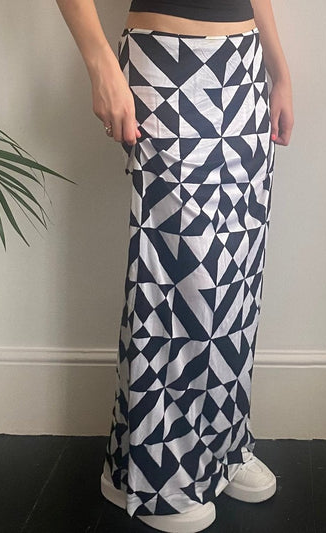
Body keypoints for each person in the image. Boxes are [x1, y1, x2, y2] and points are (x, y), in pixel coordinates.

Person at [56, 1, 294, 532]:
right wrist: (101, 65)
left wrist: (279, 71)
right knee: (177, 275)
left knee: (237, 276)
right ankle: (160, 475)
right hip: (168, 59)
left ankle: (219, 448)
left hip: (244, 64)